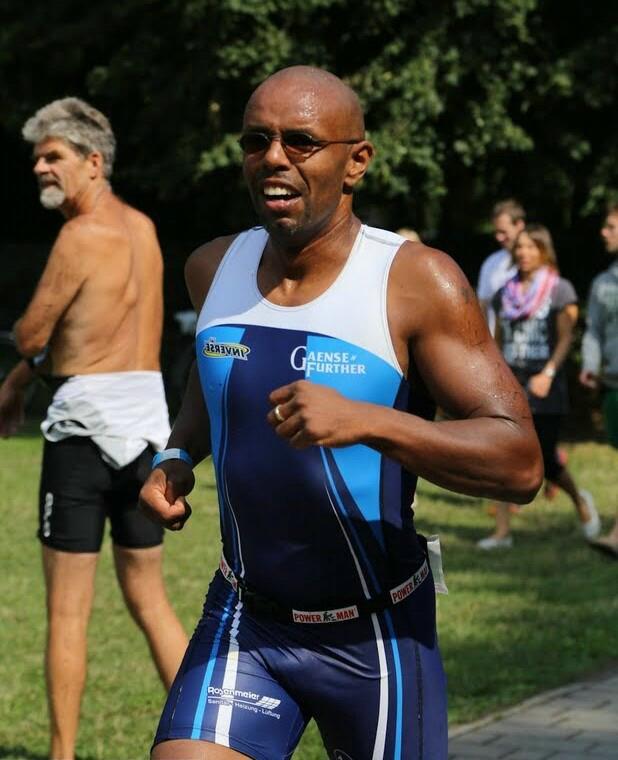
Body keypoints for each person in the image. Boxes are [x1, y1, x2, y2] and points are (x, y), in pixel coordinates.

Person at [139, 66, 543, 760]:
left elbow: (520, 462)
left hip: (377, 632)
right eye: (256, 140)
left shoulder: (414, 281)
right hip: (247, 618)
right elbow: (212, 381)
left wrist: (369, 422)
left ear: (357, 161)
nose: (273, 157)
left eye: (300, 141)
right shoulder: (212, 267)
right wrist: (177, 455)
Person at [0, 97, 188, 760]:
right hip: (147, 430)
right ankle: (208, 743)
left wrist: (19, 370)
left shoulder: (79, 236)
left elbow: (32, 334)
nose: (40, 168)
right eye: (37, 159)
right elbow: (97, 327)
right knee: (151, 601)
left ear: (93, 162)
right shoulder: (144, 229)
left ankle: (62, 755)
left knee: (68, 612)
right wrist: (24, 376)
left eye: (52, 156)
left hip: (83, 432)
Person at [478, 224, 600, 550]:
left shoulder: (560, 290)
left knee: (546, 460)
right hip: (511, 383)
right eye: (520, 247)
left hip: (545, 385)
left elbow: (566, 338)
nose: (524, 253)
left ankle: (580, 501)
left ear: (544, 251)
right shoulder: (504, 293)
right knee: (503, 454)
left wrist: (548, 373)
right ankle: (502, 532)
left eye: (531, 247)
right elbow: (497, 340)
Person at [580, 203, 618, 559]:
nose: (604, 232)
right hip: (613, 384)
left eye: (611, 226)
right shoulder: (604, 283)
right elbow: (593, 330)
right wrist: (590, 365)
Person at [476, 199, 526, 335]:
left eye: (503, 232)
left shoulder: (537, 262)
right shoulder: (491, 263)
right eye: (496, 232)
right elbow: (482, 306)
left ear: (519, 225)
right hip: (496, 344)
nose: (498, 237)